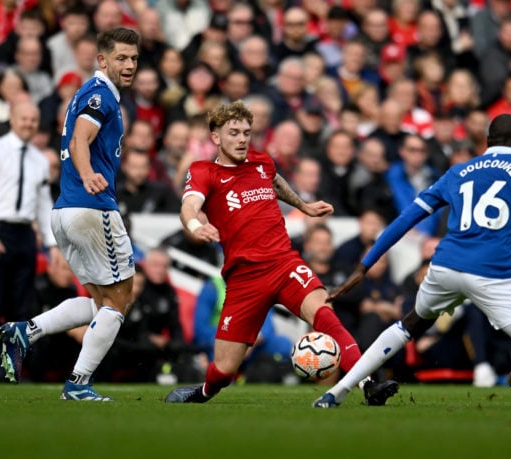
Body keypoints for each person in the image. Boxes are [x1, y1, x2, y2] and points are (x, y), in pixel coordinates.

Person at [313, 114, 511, 410]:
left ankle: (336, 392)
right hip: (493, 274)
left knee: (409, 325)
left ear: (487, 142)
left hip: (445, 267)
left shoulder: (459, 171)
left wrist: (363, 266)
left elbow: (405, 218)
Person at [164, 101, 397, 404]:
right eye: (233, 132)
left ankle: (368, 385)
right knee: (223, 370)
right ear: (216, 136)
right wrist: (196, 226)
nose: (242, 139)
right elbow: (189, 206)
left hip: (284, 263)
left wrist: (303, 205)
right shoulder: (204, 171)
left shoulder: (261, 162)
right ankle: (203, 392)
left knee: (325, 313)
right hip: (244, 278)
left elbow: (275, 182)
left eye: (246, 132)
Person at [0, 27, 140, 401]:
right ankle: (78, 383)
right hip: (92, 209)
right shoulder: (99, 96)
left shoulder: (88, 93)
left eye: (134, 58)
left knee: (100, 301)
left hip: (65, 210)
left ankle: (25, 331)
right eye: (121, 57)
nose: (129, 64)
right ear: (102, 59)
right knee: (121, 298)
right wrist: (90, 172)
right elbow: (80, 139)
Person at [0, 100, 58, 382]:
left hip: (24, 235)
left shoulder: (39, 159)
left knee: (22, 310)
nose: (29, 124)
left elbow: (43, 203)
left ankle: (14, 372)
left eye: (33, 120)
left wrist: (52, 244)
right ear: (12, 118)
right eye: (24, 119)